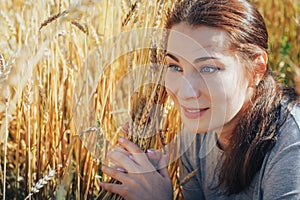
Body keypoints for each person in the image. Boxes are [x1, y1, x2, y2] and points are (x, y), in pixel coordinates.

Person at [99, 0, 300, 199]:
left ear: (257, 69)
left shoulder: (292, 148)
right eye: (175, 67)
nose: (186, 93)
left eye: (208, 68)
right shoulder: (195, 135)